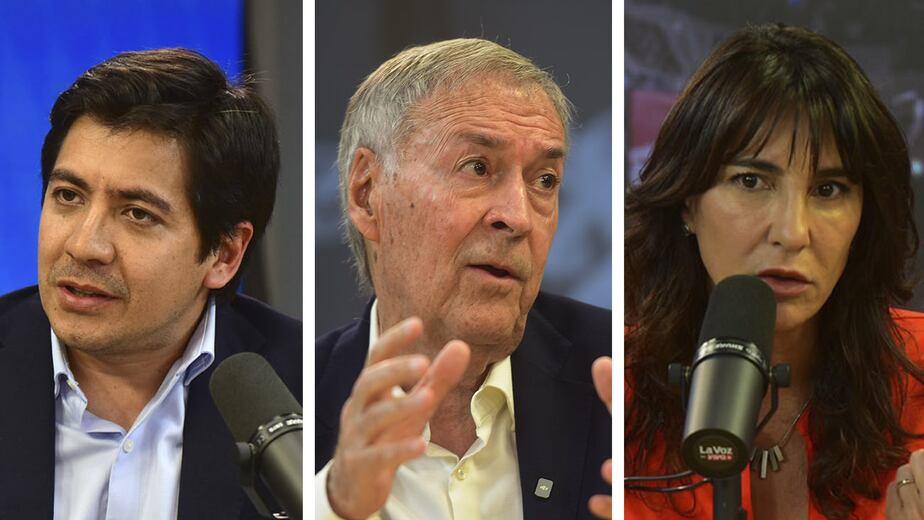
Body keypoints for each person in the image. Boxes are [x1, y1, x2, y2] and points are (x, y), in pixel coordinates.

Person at [625, 23, 924, 519]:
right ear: (686, 202)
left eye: (828, 190)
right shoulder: (610, 387)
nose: (792, 232)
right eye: (750, 181)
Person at [315, 38, 612, 519]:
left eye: (545, 180)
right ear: (367, 193)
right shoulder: (289, 402)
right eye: (477, 167)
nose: (518, 217)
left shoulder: (624, 377)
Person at [0, 48, 302, 519]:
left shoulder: (314, 393)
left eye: (138, 214)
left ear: (224, 254)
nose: (84, 245)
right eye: (68, 196)